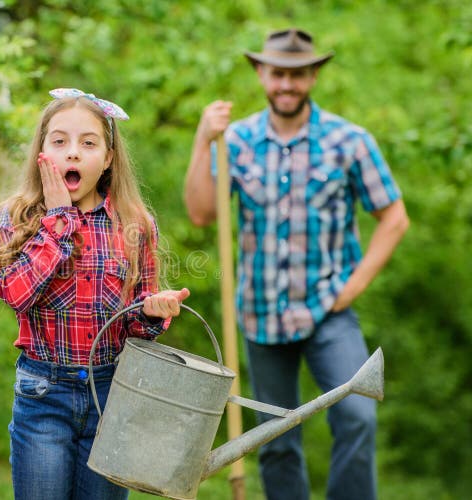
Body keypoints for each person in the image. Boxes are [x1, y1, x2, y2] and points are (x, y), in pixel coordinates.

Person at [183, 29, 409, 500]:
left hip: (329, 310)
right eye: (278, 74)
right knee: (275, 438)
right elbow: (201, 214)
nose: (287, 84)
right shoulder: (237, 141)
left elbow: (394, 218)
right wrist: (204, 141)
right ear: (262, 74)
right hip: (260, 313)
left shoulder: (349, 141)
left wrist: (352, 288)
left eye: (298, 74)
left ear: (313, 75)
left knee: (358, 415)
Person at [0, 88, 190, 500]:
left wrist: (152, 312)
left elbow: (133, 323)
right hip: (43, 394)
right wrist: (60, 218)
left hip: (110, 396)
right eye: (59, 141)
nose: (73, 154)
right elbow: (15, 292)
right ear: (41, 151)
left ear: (109, 158)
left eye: (88, 143)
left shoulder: (134, 223)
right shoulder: (18, 217)